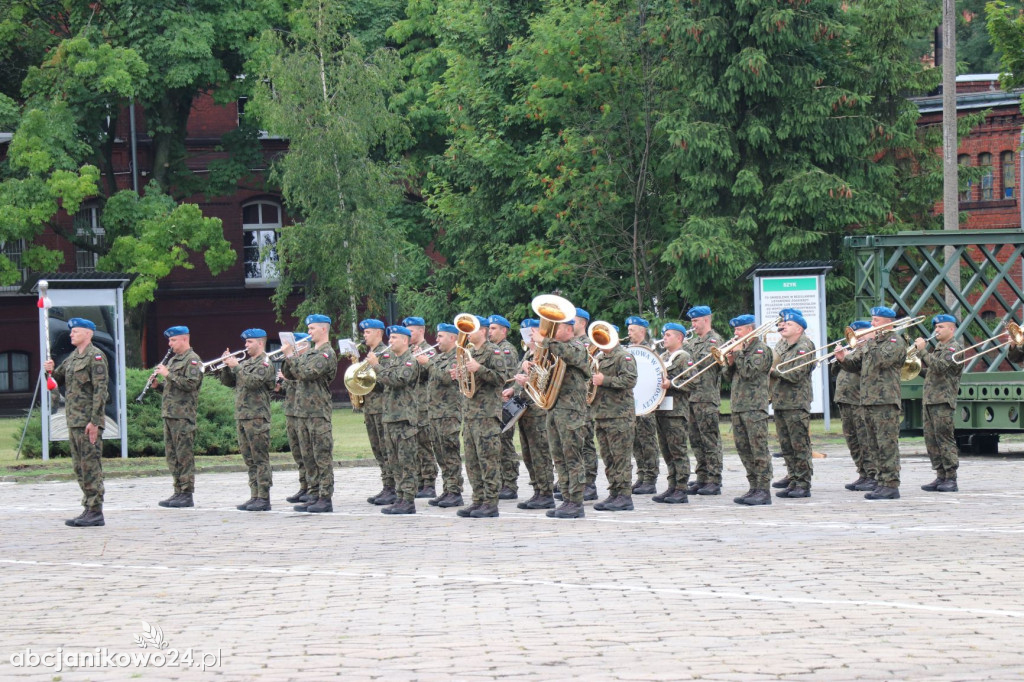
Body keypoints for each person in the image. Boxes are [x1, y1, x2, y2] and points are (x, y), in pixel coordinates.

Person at [836, 306, 907, 500]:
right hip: (867, 400)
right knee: (874, 444)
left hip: (885, 401)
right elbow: (855, 364)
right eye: (873, 320)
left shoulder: (895, 341)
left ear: (888, 322)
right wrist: (843, 359)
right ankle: (880, 482)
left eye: (876, 320)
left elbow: (882, 360)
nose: (872, 324)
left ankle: (891, 484)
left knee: (886, 445)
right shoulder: (873, 342)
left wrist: (869, 340)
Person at [46, 318, 109, 527]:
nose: (71, 334)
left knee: (91, 466)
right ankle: (87, 507)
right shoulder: (73, 358)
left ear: (88, 333)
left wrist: (94, 422)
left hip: (87, 423)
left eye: (76, 331)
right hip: (73, 421)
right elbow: (56, 380)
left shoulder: (96, 357)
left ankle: (95, 510)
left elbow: (101, 392)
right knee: (79, 467)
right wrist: (49, 371)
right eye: (71, 331)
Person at [533, 316, 591, 519]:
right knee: (559, 457)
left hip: (571, 411)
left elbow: (569, 355)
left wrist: (545, 342)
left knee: (572, 457)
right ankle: (566, 499)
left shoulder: (577, 346)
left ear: (568, 329)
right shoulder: (554, 348)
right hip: (554, 407)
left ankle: (576, 502)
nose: (549, 332)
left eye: (554, 328)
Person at [455, 316, 512, 518]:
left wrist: (480, 369)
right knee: (471, 460)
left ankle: (490, 502)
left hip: (487, 414)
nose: (469, 333)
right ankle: (478, 499)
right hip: (470, 413)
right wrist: (460, 374)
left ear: (484, 331)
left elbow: (500, 378)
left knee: (488, 459)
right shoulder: (469, 352)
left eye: (473, 329)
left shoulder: (492, 351)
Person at [286, 316, 339, 513]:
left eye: (312, 328)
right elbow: (291, 374)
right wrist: (288, 357)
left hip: (318, 412)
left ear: (323, 330)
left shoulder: (326, 354)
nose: (309, 332)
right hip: (302, 412)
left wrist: (292, 356)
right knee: (308, 456)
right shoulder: (310, 353)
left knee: (321, 456)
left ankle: (325, 497)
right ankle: (314, 493)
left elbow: (306, 373)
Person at [367, 325, 421, 514]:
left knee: (406, 462)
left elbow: (398, 380)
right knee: (394, 461)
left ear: (405, 340)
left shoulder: (410, 361)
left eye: (395, 338)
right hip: (389, 418)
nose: (390, 342)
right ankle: (399, 497)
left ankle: (408, 500)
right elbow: (384, 386)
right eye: (390, 338)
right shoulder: (391, 361)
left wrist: (376, 366)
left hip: (404, 420)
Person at [221, 328, 276, 511]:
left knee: (260, 458)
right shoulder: (246, 363)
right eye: (245, 342)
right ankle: (254, 495)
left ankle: (264, 497)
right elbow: (229, 383)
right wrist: (227, 367)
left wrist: (236, 366)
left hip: (257, 417)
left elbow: (253, 382)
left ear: (260, 343)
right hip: (243, 416)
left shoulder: (266, 363)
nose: (245, 345)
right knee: (249, 459)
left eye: (249, 342)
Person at [722, 315, 773, 505]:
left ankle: (764, 490)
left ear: (750, 330)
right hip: (738, 407)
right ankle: (753, 487)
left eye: (739, 330)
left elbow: (750, 373)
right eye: (735, 330)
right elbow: (728, 377)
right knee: (744, 449)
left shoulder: (761, 350)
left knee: (758, 449)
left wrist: (738, 355)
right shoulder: (740, 351)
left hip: (754, 407)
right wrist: (730, 360)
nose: (735, 333)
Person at [506, 319, 556, 510]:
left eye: (530, 334)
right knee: (528, 453)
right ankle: (537, 489)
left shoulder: (545, 355)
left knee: (540, 452)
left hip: (538, 410)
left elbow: (547, 381)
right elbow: (521, 379)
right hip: (525, 410)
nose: (527, 337)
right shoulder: (528, 354)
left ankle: (545, 492)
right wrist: (513, 388)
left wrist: (527, 380)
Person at [153, 325, 203, 508]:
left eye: (173, 340)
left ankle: (187, 493)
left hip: (183, 416)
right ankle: (178, 490)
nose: (170, 344)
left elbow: (190, 384)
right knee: (172, 455)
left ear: (184, 339)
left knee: (184, 455)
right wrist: (158, 385)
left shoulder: (193, 360)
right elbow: (172, 388)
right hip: (170, 414)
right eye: (169, 340)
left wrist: (168, 374)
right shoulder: (174, 360)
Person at [590, 323, 638, 512]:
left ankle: (624, 496)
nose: (600, 342)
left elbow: (630, 380)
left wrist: (605, 381)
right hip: (602, 414)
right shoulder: (600, 358)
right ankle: (614, 492)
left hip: (619, 415)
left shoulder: (623, 355)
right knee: (608, 457)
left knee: (620, 457)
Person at [769, 311, 816, 498]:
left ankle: (803, 484)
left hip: (796, 402)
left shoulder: (804, 346)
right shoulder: (784, 344)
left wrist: (772, 371)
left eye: (788, 324)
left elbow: (795, 374)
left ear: (799, 328)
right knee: (786, 445)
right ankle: (794, 478)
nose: (783, 326)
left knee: (799, 445)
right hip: (781, 401)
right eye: (783, 323)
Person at [916, 314, 964, 493]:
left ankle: (951, 478)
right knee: (931, 440)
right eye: (936, 327)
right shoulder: (938, 347)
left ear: (952, 329)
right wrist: (914, 367)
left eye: (941, 327)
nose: (937, 330)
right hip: (930, 399)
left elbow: (940, 367)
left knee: (944, 439)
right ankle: (940, 475)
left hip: (943, 400)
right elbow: (931, 372)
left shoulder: (954, 348)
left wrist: (922, 352)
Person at [421, 323, 465, 508]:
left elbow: (447, 378)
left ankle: (455, 491)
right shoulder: (439, 358)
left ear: (452, 338)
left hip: (449, 413)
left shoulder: (458, 357)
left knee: (450, 452)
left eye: (440, 336)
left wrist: (428, 363)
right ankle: (447, 489)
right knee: (440, 454)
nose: (437, 340)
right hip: (436, 414)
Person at [683, 306, 725, 495]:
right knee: (696, 439)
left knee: (710, 440)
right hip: (691, 397)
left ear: (706, 320)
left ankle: (714, 479)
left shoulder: (715, 341)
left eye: (695, 321)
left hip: (707, 398)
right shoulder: (692, 343)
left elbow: (712, 367)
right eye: (692, 321)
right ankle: (702, 476)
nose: (693, 325)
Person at [833, 321, 877, 492]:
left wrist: (850, 355)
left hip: (859, 401)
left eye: (860, 333)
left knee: (864, 439)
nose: (857, 337)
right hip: (844, 400)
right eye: (854, 333)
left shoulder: (867, 352)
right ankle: (862, 473)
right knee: (852, 441)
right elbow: (835, 372)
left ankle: (872, 474)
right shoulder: (852, 351)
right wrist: (841, 358)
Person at [652, 323, 691, 504]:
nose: (664, 338)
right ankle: (672, 485)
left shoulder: (683, 357)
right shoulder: (662, 357)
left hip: (676, 412)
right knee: (667, 452)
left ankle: (681, 489)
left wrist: (672, 384)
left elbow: (692, 382)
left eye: (668, 335)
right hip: (662, 411)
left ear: (679, 338)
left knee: (678, 451)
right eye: (664, 335)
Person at [359, 319, 396, 506]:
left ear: (379, 333)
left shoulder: (386, 354)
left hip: (382, 408)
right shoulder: (372, 354)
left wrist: (373, 367)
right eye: (364, 332)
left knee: (387, 448)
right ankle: (386, 485)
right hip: (370, 409)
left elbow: (385, 383)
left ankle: (393, 487)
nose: (364, 335)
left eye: (368, 332)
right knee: (378, 450)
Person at [405, 316, 439, 499]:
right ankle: (418, 479)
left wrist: (420, 360)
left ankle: (429, 482)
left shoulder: (429, 351)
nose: (408, 334)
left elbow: (431, 372)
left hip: (424, 405)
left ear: (421, 331)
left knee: (424, 444)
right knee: (414, 445)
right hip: (410, 405)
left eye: (411, 331)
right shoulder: (407, 351)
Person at [625, 315, 660, 494]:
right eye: (628, 330)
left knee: (647, 441)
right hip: (632, 403)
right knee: (635, 442)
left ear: (642, 331)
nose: (629, 333)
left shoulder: (650, 351)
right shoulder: (628, 351)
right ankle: (641, 474)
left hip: (646, 404)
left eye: (632, 330)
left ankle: (650, 477)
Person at [489, 314, 522, 500]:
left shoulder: (506, 350)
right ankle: (502, 480)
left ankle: (510, 482)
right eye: (490, 328)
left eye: (494, 328)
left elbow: (506, 377)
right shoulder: (494, 348)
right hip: (494, 402)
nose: (490, 332)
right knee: (498, 444)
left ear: (504, 330)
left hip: (504, 401)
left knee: (505, 444)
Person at [278, 332, 313, 505]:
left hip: (304, 410)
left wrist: (288, 379)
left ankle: (313, 487)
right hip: (292, 409)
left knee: (307, 452)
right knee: (298, 452)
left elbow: (303, 380)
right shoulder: (295, 360)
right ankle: (304, 485)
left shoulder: (307, 360)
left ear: (304, 344)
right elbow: (290, 381)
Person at [573, 307, 599, 501]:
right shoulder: (572, 343)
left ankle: (589, 483)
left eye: (572, 321)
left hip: (585, 401)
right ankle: (579, 481)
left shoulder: (588, 344)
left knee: (586, 442)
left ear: (582, 323)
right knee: (576, 443)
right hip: (573, 401)